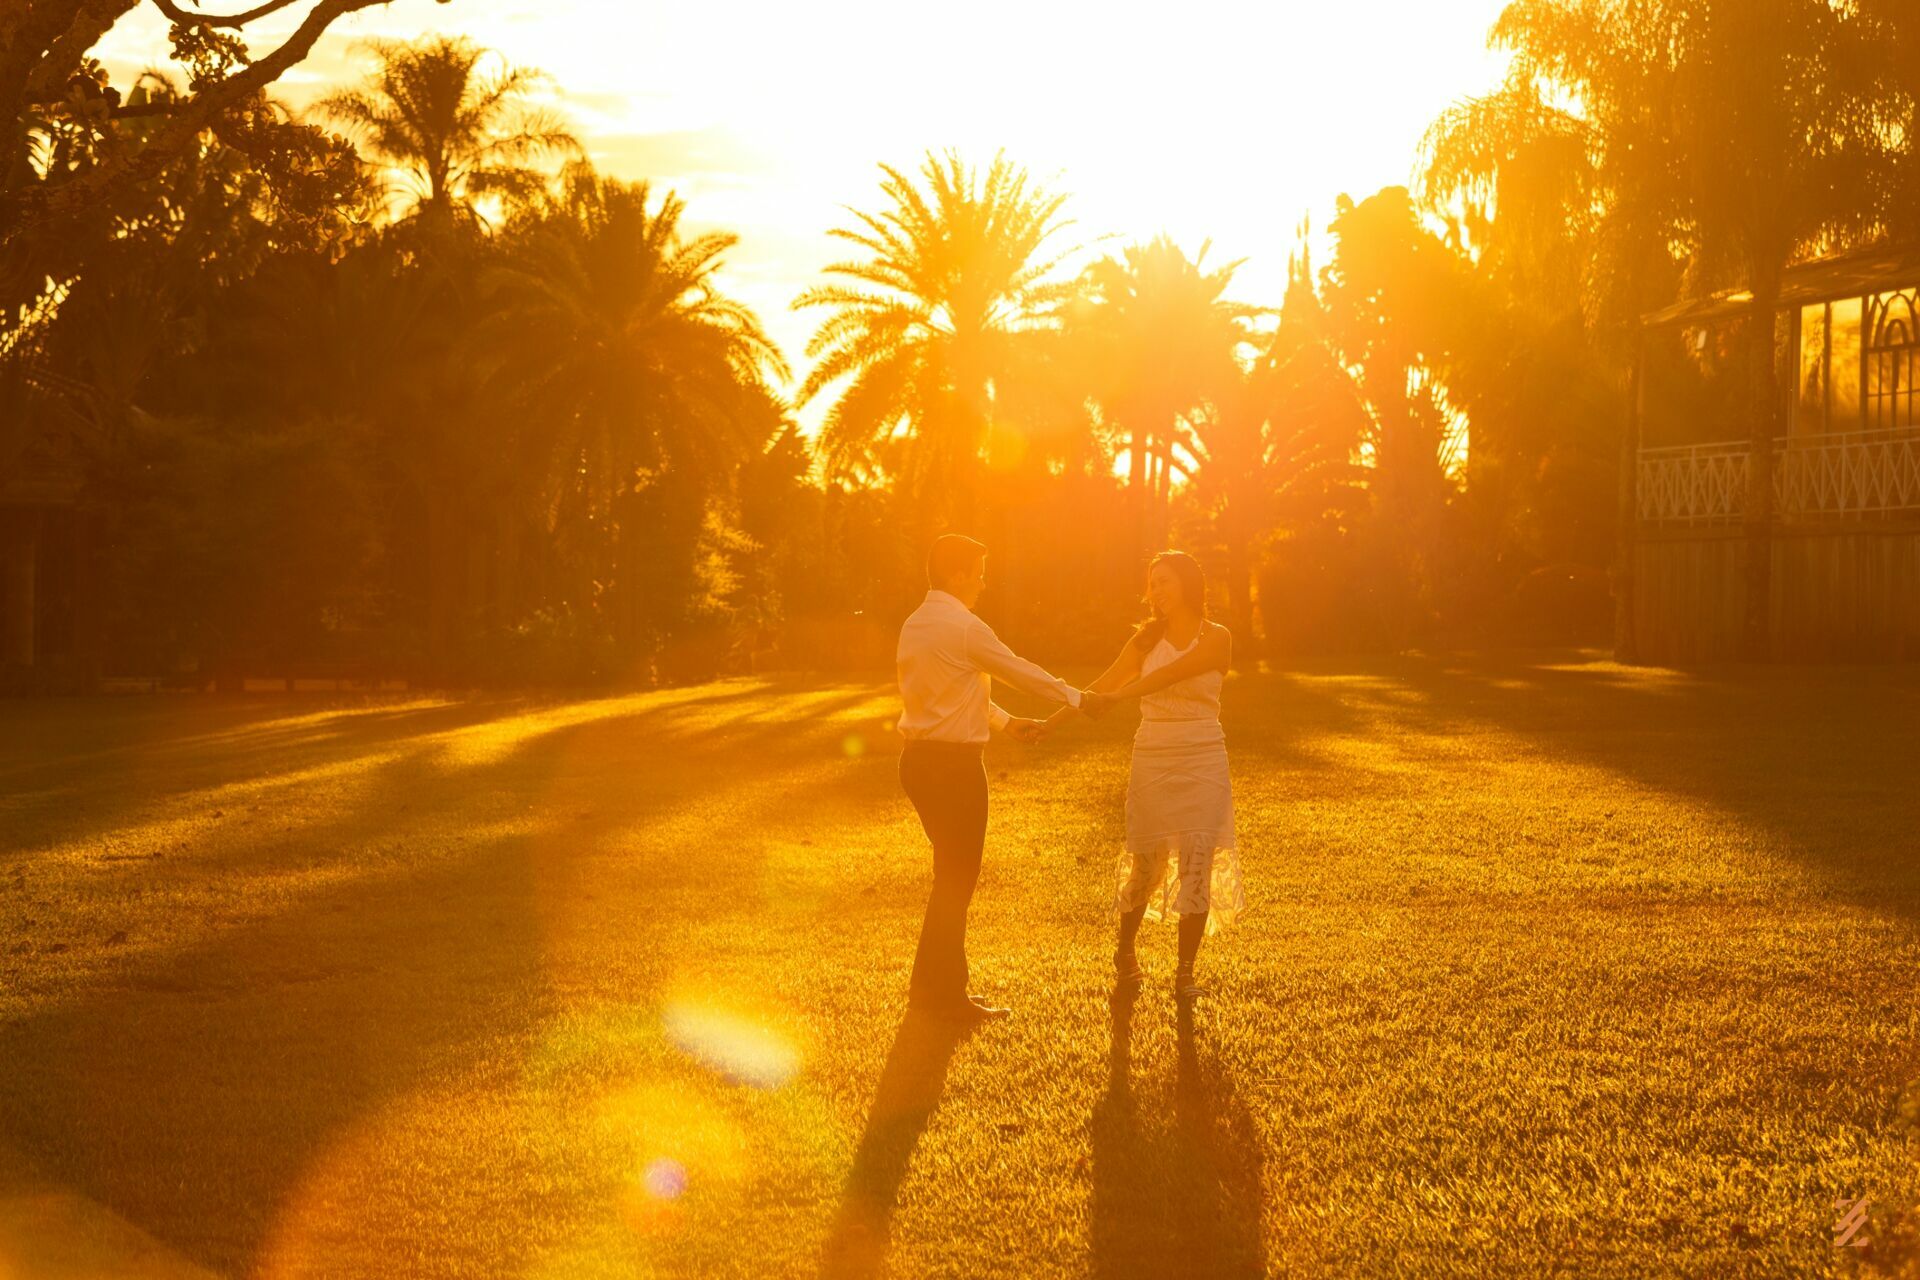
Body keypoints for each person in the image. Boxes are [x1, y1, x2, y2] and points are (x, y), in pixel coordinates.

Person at [895, 535, 1109, 1024]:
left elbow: (948, 691)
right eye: (979, 572)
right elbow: (1017, 669)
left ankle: (934, 992)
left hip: (918, 763)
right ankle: (938, 997)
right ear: (956, 575)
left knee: (950, 878)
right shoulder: (964, 626)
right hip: (953, 769)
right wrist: (1079, 699)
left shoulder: (916, 623)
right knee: (956, 879)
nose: (984, 583)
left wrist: (1005, 722)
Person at [1046, 550, 1243, 1001]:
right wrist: (1050, 723)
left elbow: (1176, 673)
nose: (1155, 591)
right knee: (1147, 864)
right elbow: (1104, 684)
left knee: (1198, 860)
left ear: (1189, 585)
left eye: (1165, 581)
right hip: (1153, 752)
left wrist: (1121, 697)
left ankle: (1185, 973)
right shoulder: (1144, 640)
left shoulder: (1217, 637)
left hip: (1203, 754)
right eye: (1152, 583)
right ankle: (1126, 954)